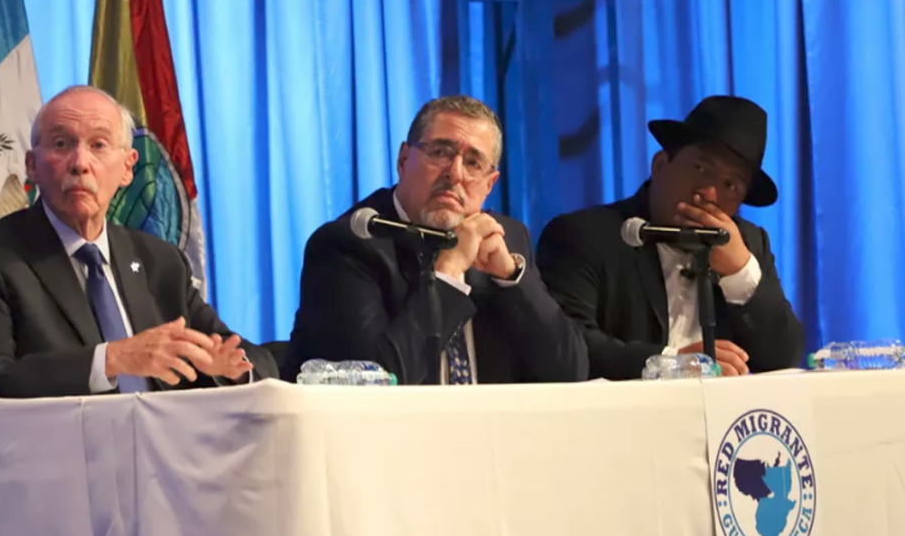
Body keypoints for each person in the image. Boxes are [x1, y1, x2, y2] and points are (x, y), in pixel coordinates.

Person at [0, 86, 276, 397]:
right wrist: (110, 360)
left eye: (99, 145)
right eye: (61, 144)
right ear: (32, 165)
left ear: (128, 168)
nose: (80, 164)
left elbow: (255, 359)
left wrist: (232, 372)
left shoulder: (159, 261)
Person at [285, 96, 588, 385]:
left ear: (489, 184)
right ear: (403, 160)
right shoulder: (348, 244)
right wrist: (449, 272)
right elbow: (377, 383)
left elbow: (570, 373)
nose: (454, 174)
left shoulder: (506, 238)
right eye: (441, 152)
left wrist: (512, 278)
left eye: (473, 162)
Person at [537, 95, 805, 379]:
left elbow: (782, 359)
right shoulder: (584, 235)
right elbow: (567, 347)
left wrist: (740, 274)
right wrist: (672, 364)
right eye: (701, 169)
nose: (710, 194)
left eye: (731, 185)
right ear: (661, 164)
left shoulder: (748, 244)